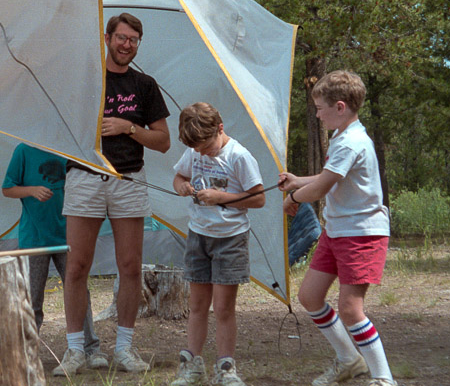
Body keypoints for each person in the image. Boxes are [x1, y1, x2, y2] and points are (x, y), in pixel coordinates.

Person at [54, 12, 170, 377]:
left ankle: (124, 348)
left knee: (130, 266)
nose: (126, 45)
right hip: (85, 178)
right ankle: (76, 351)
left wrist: (128, 127)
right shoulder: (85, 81)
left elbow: (164, 141)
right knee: (76, 266)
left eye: (133, 40)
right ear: (107, 38)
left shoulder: (145, 85)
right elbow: (57, 125)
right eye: (121, 38)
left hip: (128, 179)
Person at [279, 70, 394, 386]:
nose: (317, 114)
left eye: (320, 108)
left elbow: (322, 188)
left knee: (350, 308)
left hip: (362, 233)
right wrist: (297, 181)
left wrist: (294, 197)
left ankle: (384, 379)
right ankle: (349, 360)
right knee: (310, 296)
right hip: (338, 231)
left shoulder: (352, 141)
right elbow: (328, 177)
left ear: (340, 107)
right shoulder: (344, 137)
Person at [169, 103, 265, 386]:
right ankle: (192, 364)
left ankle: (225, 368)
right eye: (196, 149)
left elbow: (258, 198)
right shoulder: (194, 150)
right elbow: (178, 177)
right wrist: (181, 187)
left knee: (223, 307)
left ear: (220, 129)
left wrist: (221, 198)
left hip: (230, 239)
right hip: (198, 235)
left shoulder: (239, 156)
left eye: (205, 146)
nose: (201, 152)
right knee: (197, 305)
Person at [1, 143, 107, 368]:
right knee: (32, 298)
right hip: (34, 239)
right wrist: (31, 190)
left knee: (80, 291)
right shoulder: (23, 150)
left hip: (68, 236)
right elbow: (7, 188)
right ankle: (26, 352)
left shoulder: (69, 149)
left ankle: (90, 349)